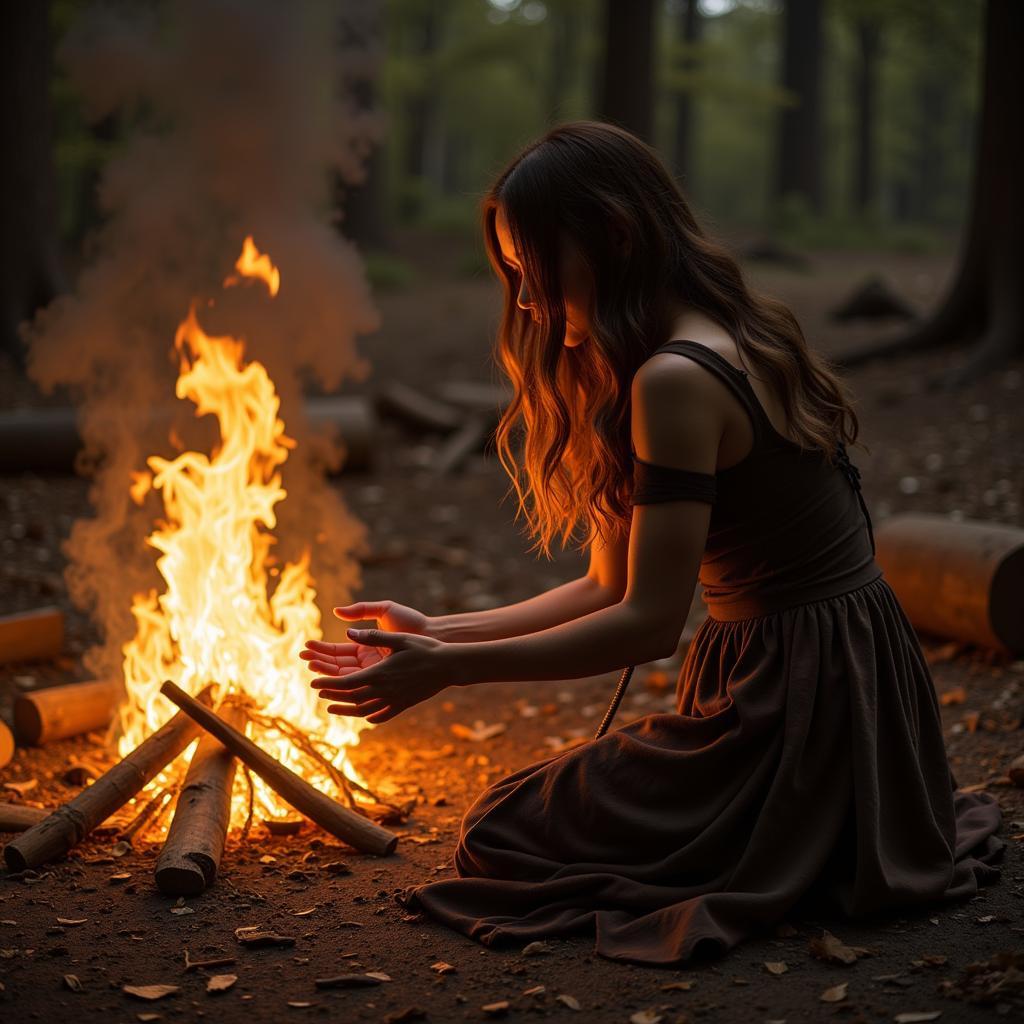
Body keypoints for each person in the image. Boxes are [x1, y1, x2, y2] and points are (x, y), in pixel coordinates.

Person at [300, 121, 1004, 966]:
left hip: (794, 704)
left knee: (500, 833)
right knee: (522, 821)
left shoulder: (676, 379)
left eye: (534, 270)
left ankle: (794, 827)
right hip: (859, 679)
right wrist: (437, 635)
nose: (524, 301)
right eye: (513, 277)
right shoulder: (728, 330)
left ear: (614, 237)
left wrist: (451, 670)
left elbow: (647, 625)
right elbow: (606, 585)